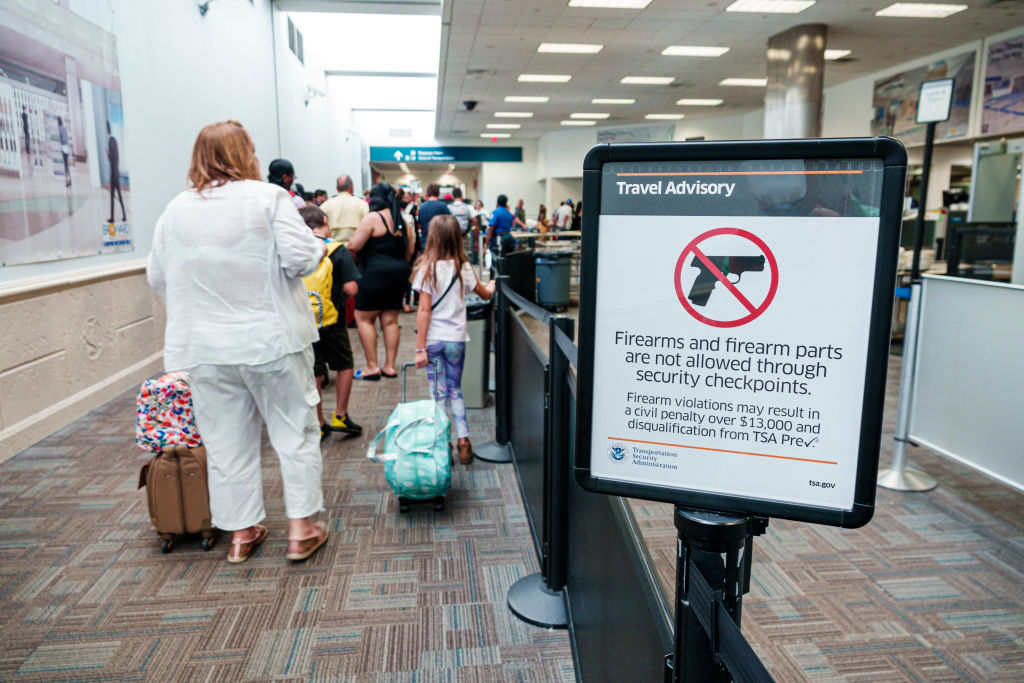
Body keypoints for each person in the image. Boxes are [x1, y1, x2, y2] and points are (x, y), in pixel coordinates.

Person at [146, 120, 329, 564]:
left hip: (205, 349)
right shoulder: (268, 198)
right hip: (270, 341)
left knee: (227, 442)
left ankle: (243, 534)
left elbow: (157, 276)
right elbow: (302, 257)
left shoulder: (174, 210)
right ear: (245, 154)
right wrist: (321, 249)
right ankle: (302, 528)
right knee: (295, 433)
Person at [412, 215, 495, 464]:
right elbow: (484, 294)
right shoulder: (463, 268)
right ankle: (464, 443)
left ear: (433, 237)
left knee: (437, 395)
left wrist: (420, 348)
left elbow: (424, 311)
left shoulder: (426, 268)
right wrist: (492, 285)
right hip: (456, 340)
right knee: (455, 391)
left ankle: (441, 442)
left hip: (434, 341)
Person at [298, 205, 363, 440]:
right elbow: (351, 288)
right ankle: (341, 415)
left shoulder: (296, 251)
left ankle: (318, 421)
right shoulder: (337, 250)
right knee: (344, 364)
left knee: (314, 371)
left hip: (304, 323)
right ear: (324, 221)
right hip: (332, 320)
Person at [347, 183, 415, 380]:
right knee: (390, 320)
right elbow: (410, 251)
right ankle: (390, 366)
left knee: (364, 318)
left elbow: (353, 246)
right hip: (398, 275)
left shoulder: (372, 218)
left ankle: (372, 366)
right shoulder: (402, 220)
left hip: (373, 274)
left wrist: (353, 264)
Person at [321, 174, 366, 244]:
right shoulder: (362, 205)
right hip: (357, 249)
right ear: (352, 187)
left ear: (337, 188)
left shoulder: (325, 206)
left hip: (332, 250)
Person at [106, 121, 127, 224]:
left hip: (114, 174)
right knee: (118, 196)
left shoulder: (111, 141)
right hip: (116, 173)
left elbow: (113, 159)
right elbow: (117, 158)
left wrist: (108, 154)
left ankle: (113, 217)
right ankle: (123, 215)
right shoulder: (114, 141)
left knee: (113, 197)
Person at [58, 116, 71, 188]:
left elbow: (61, 139)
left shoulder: (59, 129)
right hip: (66, 147)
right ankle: (69, 179)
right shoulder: (64, 128)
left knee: (65, 165)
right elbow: (66, 138)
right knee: (67, 164)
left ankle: (67, 180)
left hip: (63, 146)